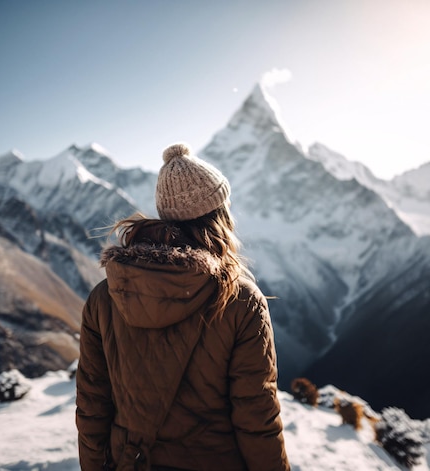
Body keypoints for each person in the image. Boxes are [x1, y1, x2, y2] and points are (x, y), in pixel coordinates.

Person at [76, 142, 290, 471]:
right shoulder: (240, 301)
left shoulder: (105, 297)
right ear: (218, 217)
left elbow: (92, 406)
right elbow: (256, 417)